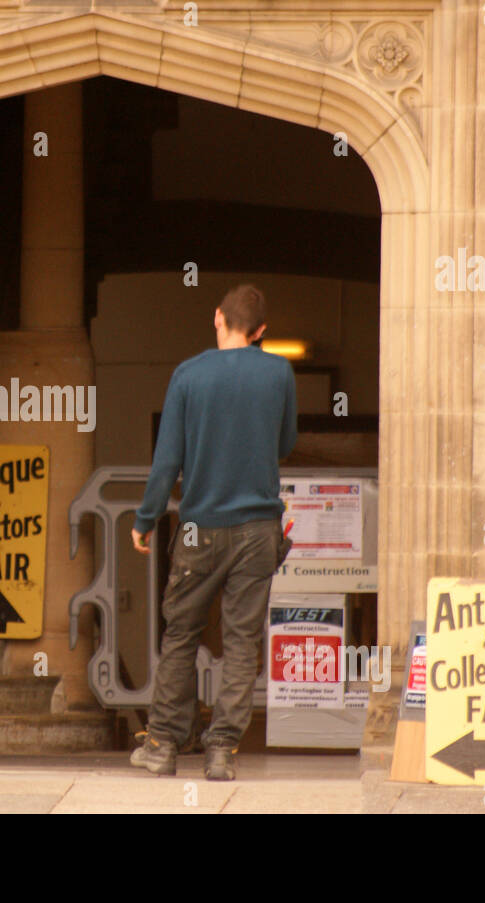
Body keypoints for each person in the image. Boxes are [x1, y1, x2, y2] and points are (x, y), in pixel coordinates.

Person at [129, 284, 297, 780]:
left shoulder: (189, 374)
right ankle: (221, 751)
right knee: (243, 641)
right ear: (262, 332)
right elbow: (286, 441)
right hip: (258, 531)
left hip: (200, 528)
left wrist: (146, 519)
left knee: (180, 633)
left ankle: (162, 746)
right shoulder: (278, 372)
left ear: (217, 317)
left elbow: (167, 463)